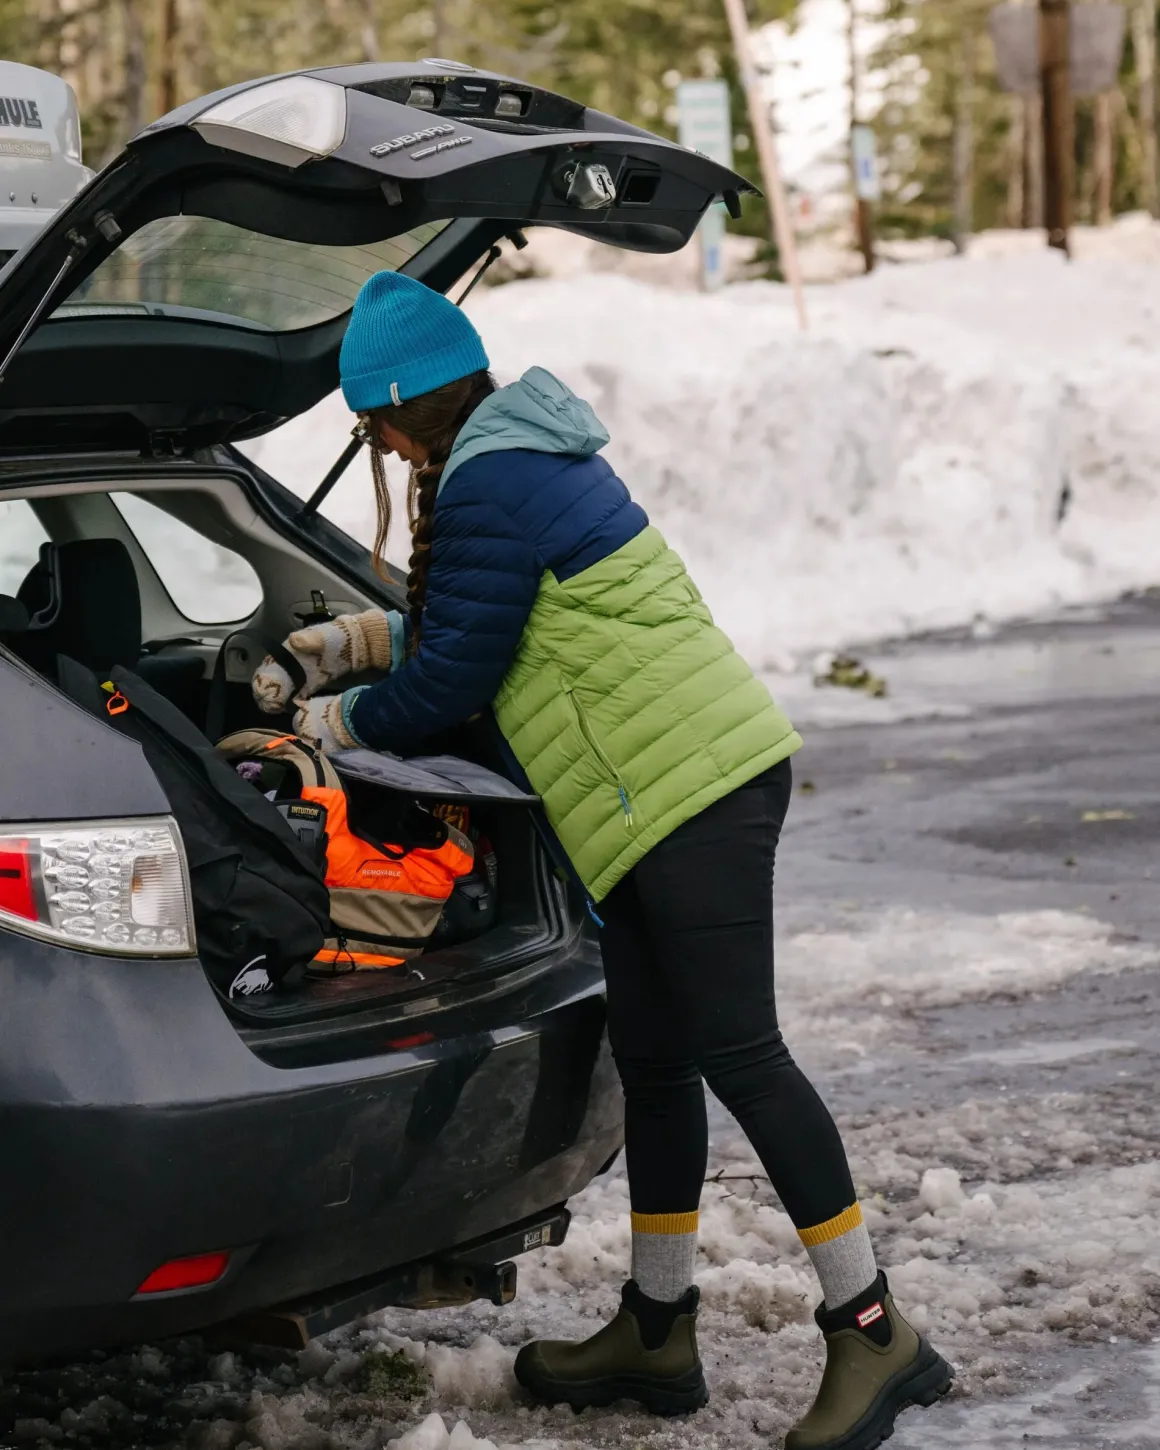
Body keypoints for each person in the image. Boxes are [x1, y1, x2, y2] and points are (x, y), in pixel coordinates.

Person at [252, 271, 953, 1450]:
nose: (366, 438)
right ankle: (655, 1328)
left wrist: (333, 723)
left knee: (742, 1055)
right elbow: (481, 616)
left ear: (405, 403)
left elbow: (453, 680)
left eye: (368, 417)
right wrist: (352, 640)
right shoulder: (506, 459)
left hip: (690, 790)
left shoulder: (488, 480)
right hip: (655, 795)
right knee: (659, 1059)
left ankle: (873, 1329)